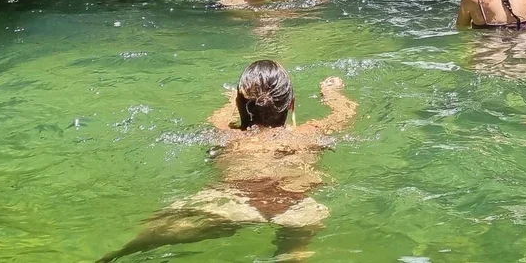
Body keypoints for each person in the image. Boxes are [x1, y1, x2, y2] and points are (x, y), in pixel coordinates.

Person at [99, 60, 357, 261]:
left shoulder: (226, 135)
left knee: (137, 243)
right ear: (291, 104)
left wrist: (228, 102)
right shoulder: (310, 134)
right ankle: (293, 253)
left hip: (233, 202)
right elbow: (345, 114)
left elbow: (217, 117)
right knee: (293, 248)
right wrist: (332, 93)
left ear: (239, 103)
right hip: (297, 207)